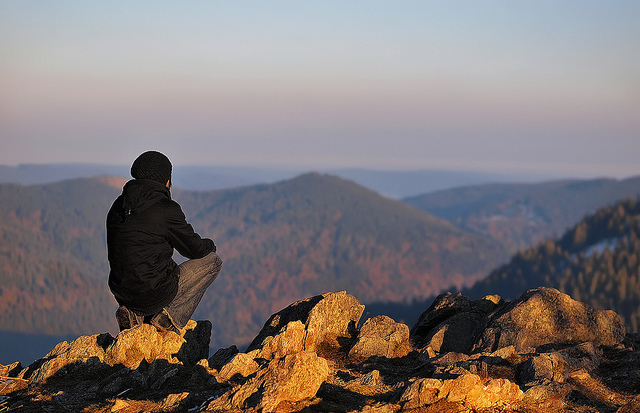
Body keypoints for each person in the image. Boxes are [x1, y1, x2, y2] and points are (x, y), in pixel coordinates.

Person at [106, 150, 222, 334]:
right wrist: (210, 245)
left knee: (150, 270)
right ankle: (167, 317)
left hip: (122, 292)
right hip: (154, 293)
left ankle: (133, 314)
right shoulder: (166, 209)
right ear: (166, 180)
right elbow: (194, 249)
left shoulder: (118, 206)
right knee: (213, 262)